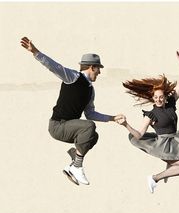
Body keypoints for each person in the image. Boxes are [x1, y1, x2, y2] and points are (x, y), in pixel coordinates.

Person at [20, 36, 123, 186]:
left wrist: (112, 118)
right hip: (57, 126)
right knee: (88, 127)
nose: (99, 73)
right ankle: (77, 167)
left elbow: (91, 114)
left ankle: (74, 161)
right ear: (92, 67)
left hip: (69, 127)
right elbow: (54, 66)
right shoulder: (73, 77)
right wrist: (35, 52)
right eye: (98, 69)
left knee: (93, 136)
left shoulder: (90, 90)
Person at [118, 51, 179, 193]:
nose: (158, 100)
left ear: (165, 97)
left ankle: (172, 168)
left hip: (177, 143)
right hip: (164, 147)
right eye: (155, 97)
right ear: (152, 98)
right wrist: (126, 125)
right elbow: (139, 134)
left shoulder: (171, 104)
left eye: (161, 97)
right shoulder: (151, 115)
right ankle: (155, 178)